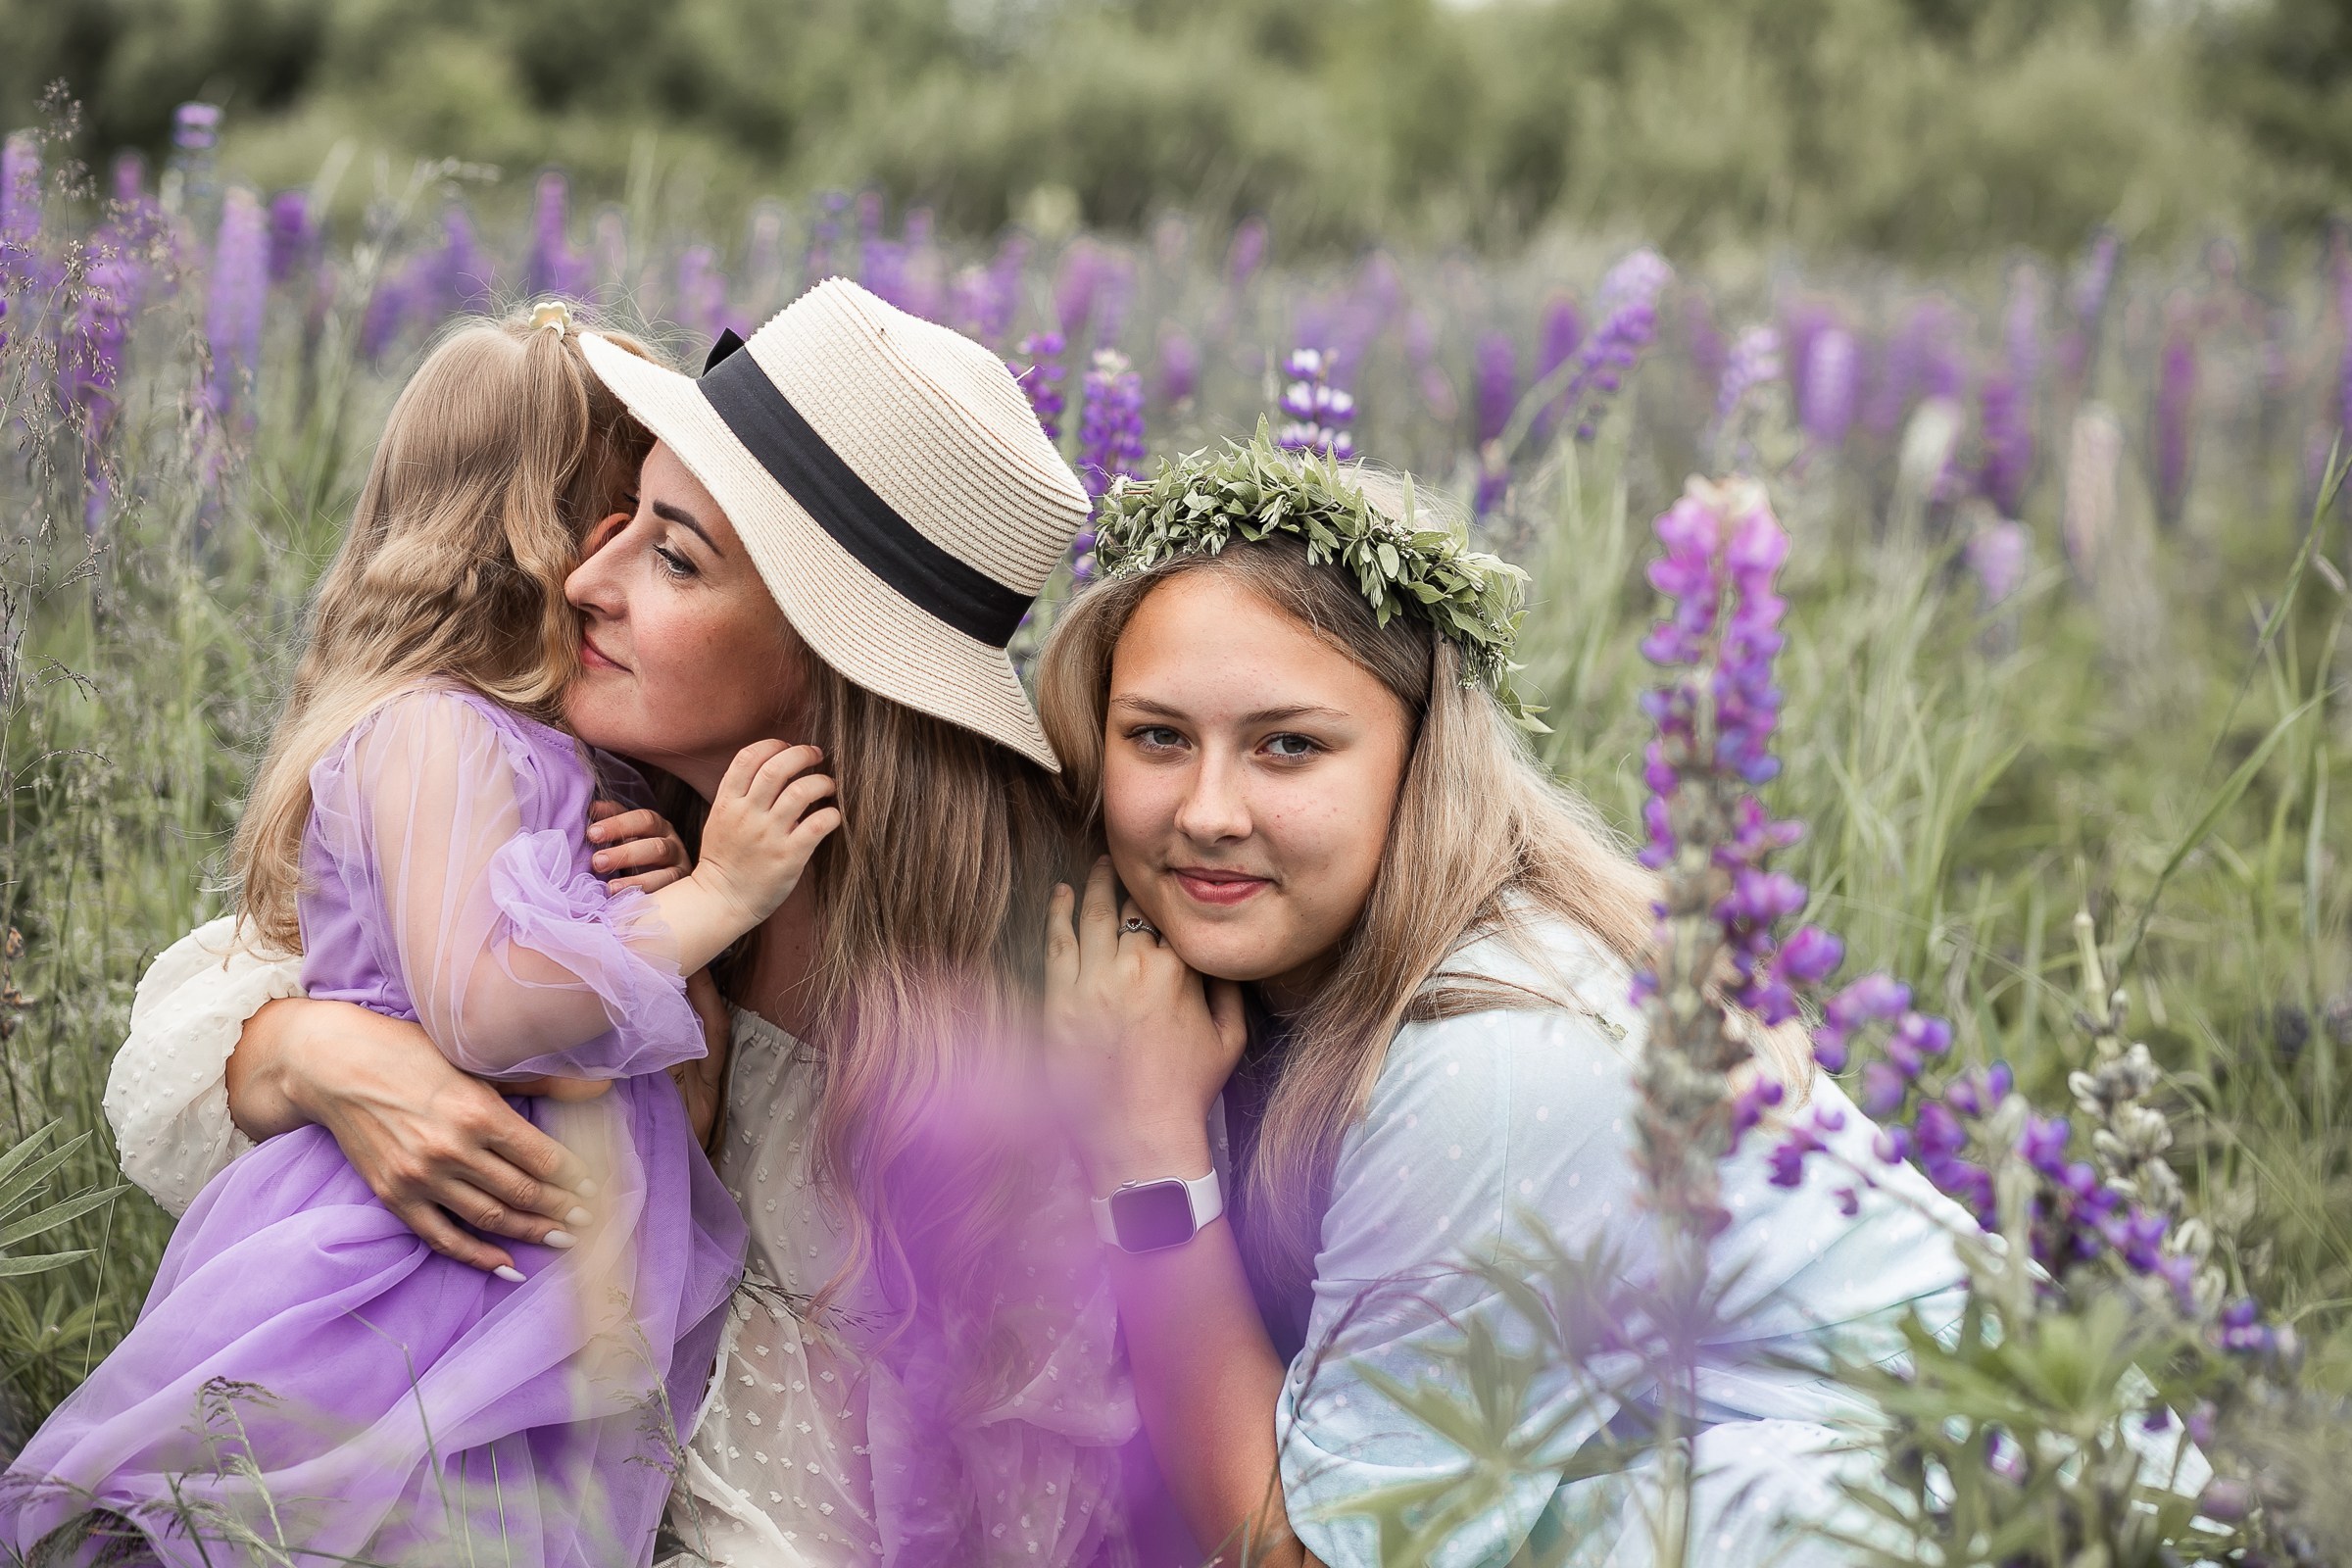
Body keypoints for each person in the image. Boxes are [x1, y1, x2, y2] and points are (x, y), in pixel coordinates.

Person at [99, 279, 1136, 1567]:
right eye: (618, 520)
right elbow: (208, 1038)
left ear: (832, 663)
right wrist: (309, 1050)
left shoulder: (999, 1019)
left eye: (674, 554)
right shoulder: (595, 829)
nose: (584, 579)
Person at [1030, 436, 1971, 1567]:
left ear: (1422, 760)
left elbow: (1298, 1557)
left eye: (1289, 745)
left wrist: (1143, 1150)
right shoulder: (1222, 981)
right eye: (1158, 737)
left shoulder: (1495, 1052)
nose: (1210, 809)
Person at [4, 305, 785, 1566]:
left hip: (519, 1304)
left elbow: (645, 1087)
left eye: (672, 546)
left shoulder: (569, 768)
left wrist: (665, 925)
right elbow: (484, 1015)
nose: (617, 570)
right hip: (396, 1279)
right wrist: (713, 905)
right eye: (617, 518)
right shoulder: (440, 737)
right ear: (540, 540)